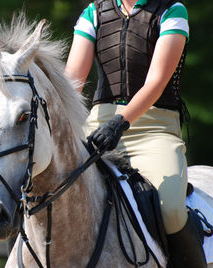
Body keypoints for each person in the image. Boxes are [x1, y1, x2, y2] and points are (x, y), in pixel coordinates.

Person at [65, 0, 207, 267]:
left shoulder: (172, 11)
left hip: (153, 128)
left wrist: (121, 122)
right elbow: (72, 81)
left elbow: (156, 81)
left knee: (172, 211)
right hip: (98, 127)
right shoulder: (94, 13)